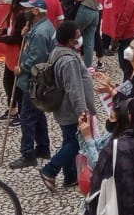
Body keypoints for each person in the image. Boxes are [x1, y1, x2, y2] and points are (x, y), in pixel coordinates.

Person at [38, 20, 98, 193]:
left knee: (69, 140)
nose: (80, 39)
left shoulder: (57, 52)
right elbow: (74, 89)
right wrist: (82, 112)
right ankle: (50, 170)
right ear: (71, 40)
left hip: (64, 109)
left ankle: (70, 176)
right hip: (71, 110)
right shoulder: (68, 60)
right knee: (77, 143)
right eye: (78, 36)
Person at [10, 0, 56, 170]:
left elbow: (36, 56)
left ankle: (28, 153)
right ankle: (43, 147)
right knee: (38, 114)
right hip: (42, 78)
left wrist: (21, 68)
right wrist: (26, 35)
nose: (26, 11)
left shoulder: (39, 32)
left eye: (29, 9)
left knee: (28, 117)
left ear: (36, 11)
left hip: (34, 80)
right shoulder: (45, 27)